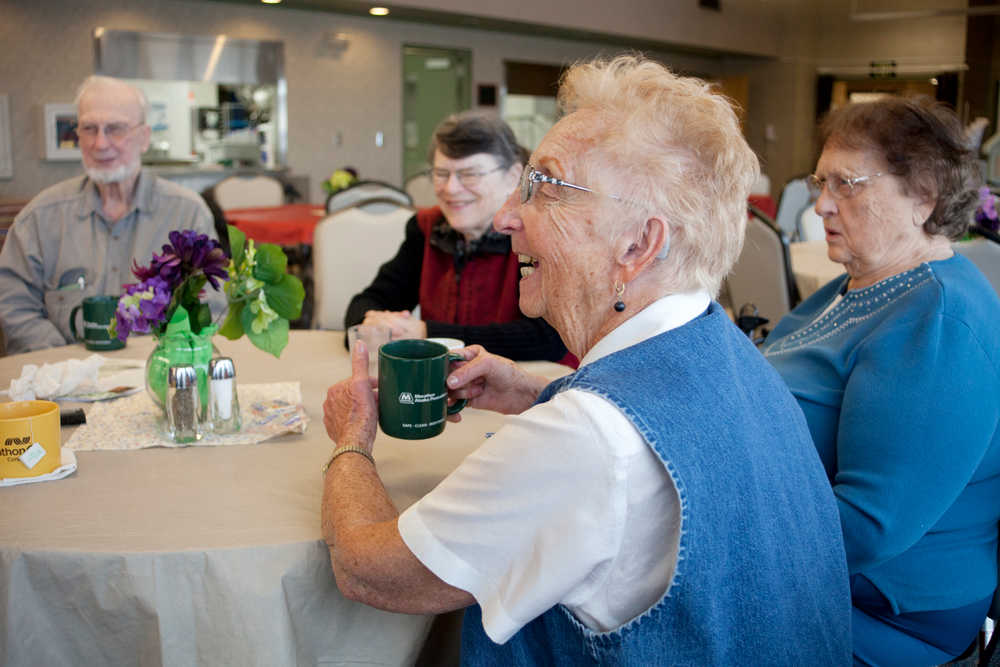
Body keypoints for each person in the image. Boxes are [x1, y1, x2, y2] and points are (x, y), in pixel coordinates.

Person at [321, 55, 851, 665]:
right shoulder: (723, 343)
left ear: (638, 243)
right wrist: (534, 392)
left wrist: (352, 438)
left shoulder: (586, 439)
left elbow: (371, 571)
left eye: (547, 187)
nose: (506, 216)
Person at [763, 96, 1000, 666]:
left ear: (924, 198)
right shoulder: (854, 286)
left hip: (884, 612)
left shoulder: (937, 321)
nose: (820, 205)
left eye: (847, 184)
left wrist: (711, 535)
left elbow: (867, 528)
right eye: (822, 182)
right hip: (813, 571)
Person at [0, 75, 220, 355]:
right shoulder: (39, 218)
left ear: (144, 138)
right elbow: (14, 305)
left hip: (158, 382)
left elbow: (210, 307)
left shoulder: (187, 213)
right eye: (89, 128)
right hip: (65, 387)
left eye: (115, 129)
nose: (100, 143)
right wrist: (63, 365)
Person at [344, 111, 567, 362]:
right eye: (441, 174)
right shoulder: (427, 229)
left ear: (513, 175)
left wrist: (429, 334)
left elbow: (549, 339)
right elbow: (366, 304)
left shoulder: (536, 235)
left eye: (469, 174)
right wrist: (376, 323)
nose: (451, 189)